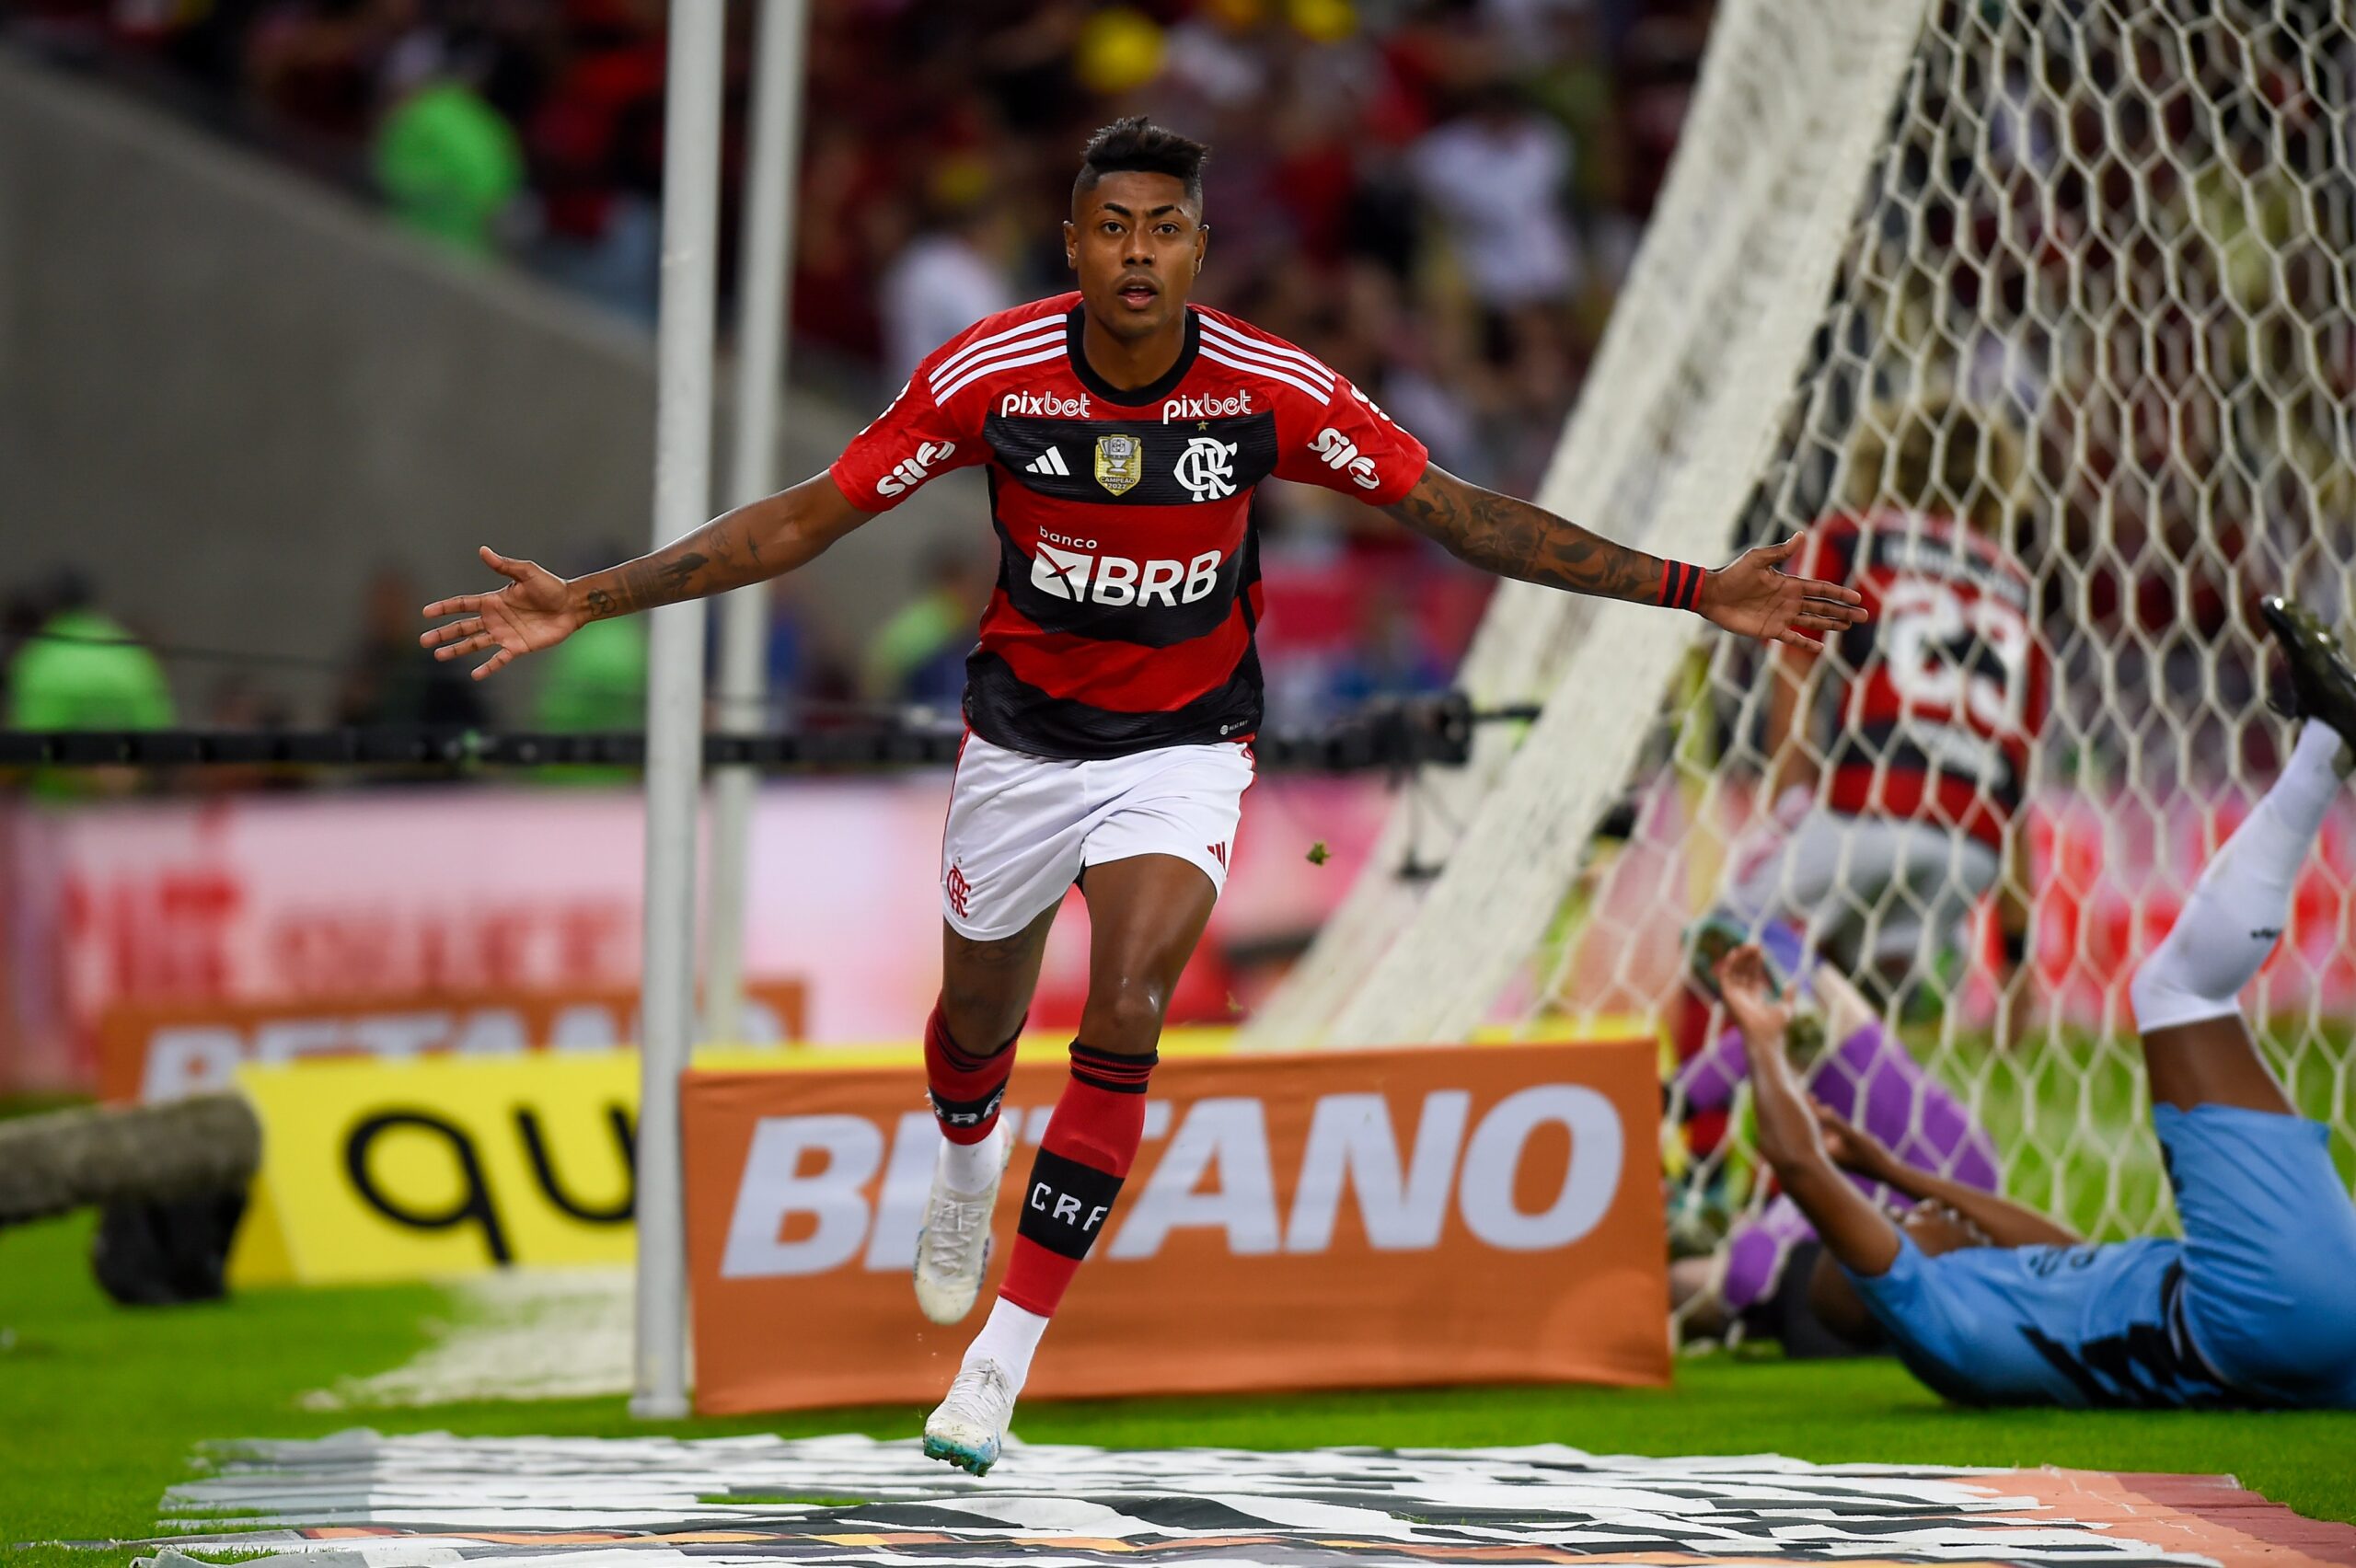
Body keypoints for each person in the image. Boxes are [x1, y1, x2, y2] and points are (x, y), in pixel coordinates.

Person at [418, 117, 1867, 1471]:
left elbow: (1460, 516)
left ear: (1196, 250)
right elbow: (808, 514)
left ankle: (999, 1357)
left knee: (1125, 1011)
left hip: (1184, 750)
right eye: (1110, 227)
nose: (1134, 253)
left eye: (1162, 229)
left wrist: (1693, 589)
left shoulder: (1270, 391)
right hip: (1018, 748)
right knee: (977, 1025)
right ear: (1071, 242)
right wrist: (590, 601)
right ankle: (968, 1164)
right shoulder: (988, 376)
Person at [1712, 595, 2356, 1409]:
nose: (1909, 1217)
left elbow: (2065, 1247)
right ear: (1888, 1271)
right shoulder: (1936, 1318)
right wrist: (1762, 1037)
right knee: (2173, 991)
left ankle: (2328, 741)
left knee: (2180, 994)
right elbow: (1801, 1167)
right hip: (2247, 1315)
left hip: (2296, 1340)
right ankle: (2326, 747)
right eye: (1892, 1228)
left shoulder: (2000, 1304)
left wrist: (1895, 1170)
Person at [1721, 399, 2050, 1008]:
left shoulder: (1850, 540)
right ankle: (1915, 955)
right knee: (1862, 997)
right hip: (1969, 852)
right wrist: (2017, 958)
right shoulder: (2019, 594)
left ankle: (1712, 1085)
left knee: (1727, 937)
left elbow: (1795, 683)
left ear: (1882, 464)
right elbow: (2017, 791)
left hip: (1871, 811)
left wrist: (1787, 816)